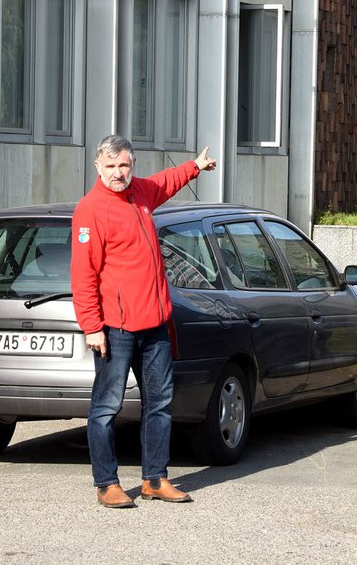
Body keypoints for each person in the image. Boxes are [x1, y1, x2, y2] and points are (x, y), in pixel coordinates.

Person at [71, 134, 217, 508]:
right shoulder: (90, 210)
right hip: (115, 329)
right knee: (106, 407)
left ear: (131, 165)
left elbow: (165, 181)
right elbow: (83, 275)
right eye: (111, 166)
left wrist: (195, 167)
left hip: (155, 325)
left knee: (159, 404)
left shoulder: (141, 193)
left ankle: (155, 478)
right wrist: (91, 327)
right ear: (97, 167)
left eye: (124, 165)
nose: (118, 173)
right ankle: (107, 483)